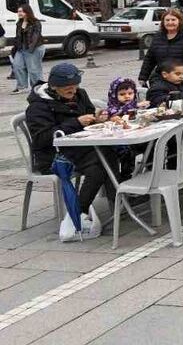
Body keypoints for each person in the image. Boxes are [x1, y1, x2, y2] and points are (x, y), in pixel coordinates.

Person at [25, 63, 114, 240]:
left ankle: (117, 200)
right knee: (100, 164)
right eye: (67, 88)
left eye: (75, 86)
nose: (72, 90)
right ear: (54, 86)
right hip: (54, 157)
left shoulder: (80, 94)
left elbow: (89, 113)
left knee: (112, 152)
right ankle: (79, 212)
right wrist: (76, 122)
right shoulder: (38, 107)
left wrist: (97, 118)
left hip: (80, 148)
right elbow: (42, 139)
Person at [139, 8, 183, 86]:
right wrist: (143, 77)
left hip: (182, 78)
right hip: (161, 77)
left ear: (179, 21)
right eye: (167, 20)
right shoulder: (158, 36)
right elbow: (150, 58)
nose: (170, 22)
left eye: (173, 20)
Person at [11, 3, 45, 93]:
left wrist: (30, 50)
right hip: (21, 48)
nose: (19, 13)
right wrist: (15, 47)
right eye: (18, 12)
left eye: (21, 11)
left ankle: (37, 87)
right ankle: (22, 87)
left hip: (34, 48)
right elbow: (18, 37)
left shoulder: (36, 23)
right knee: (17, 66)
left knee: (33, 69)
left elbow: (36, 37)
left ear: (27, 12)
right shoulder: (19, 23)